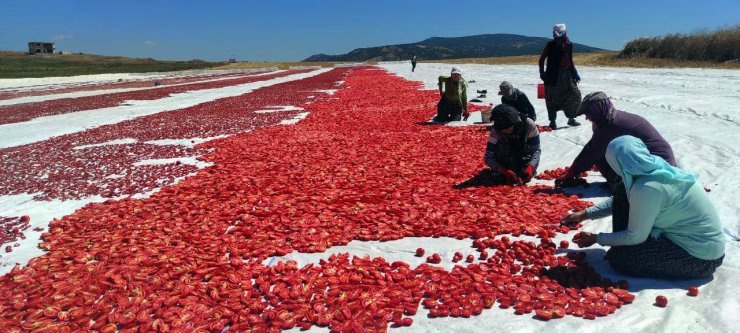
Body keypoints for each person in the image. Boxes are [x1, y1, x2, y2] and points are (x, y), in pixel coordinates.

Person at [563, 136, 724, 279]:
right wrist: (584, 214)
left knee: (620, 259)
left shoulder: (647, 188)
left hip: (700, 260)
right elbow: (621, 201)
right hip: (703, 245)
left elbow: (635, 237)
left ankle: (624, 252)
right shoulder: (657, 169)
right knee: (622, 194)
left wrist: (597, 238)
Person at [555, 92, 677, 229]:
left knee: (603, 158)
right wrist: (573, 171)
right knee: (604, 155)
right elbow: (591, 146)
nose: (587, 118)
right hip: (649, 161)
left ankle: (621, 186)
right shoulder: (608, 118)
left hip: (659, 166)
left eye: (588, 113)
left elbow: (593, 153)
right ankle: (620, 182)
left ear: (597, 110)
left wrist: (571, 174)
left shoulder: (612, 124)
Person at [483, 104, 541, 184]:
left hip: (524, 158)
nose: (503, 132)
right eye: (502, 130)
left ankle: (522, 170)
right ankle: (505, 172)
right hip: (505, 160)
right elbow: (488, 157)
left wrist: (531, 166)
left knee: (524, 175)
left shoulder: (529, 125)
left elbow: (536, 150)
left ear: (514, 123)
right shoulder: (496, 131)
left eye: (507, 129)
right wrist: (503, 170)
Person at [539, 23, 582, 130]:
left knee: (575, 95)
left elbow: (570, 60)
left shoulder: (569, 44)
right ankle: (552, 122)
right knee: (551, 99)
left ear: (564, 33)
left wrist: (575, 73)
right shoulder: (550, 45)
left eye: (560, 34)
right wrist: (542, 72)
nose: (557, 37)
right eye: (555, 35)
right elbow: (542, 59)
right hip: (552, 76)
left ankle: (571, 118)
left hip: (567, 76)